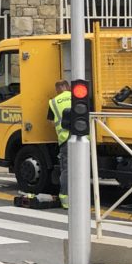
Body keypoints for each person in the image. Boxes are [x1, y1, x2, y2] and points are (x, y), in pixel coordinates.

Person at [48, 79, 72, 209]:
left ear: (57, 89)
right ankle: (83, 198)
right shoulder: (78, 98)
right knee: (83, 169)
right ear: (68, 87)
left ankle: (66, 201)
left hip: (65, 140)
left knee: (66, 170)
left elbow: (51, 121)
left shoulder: (54, 102)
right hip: (84, 139)